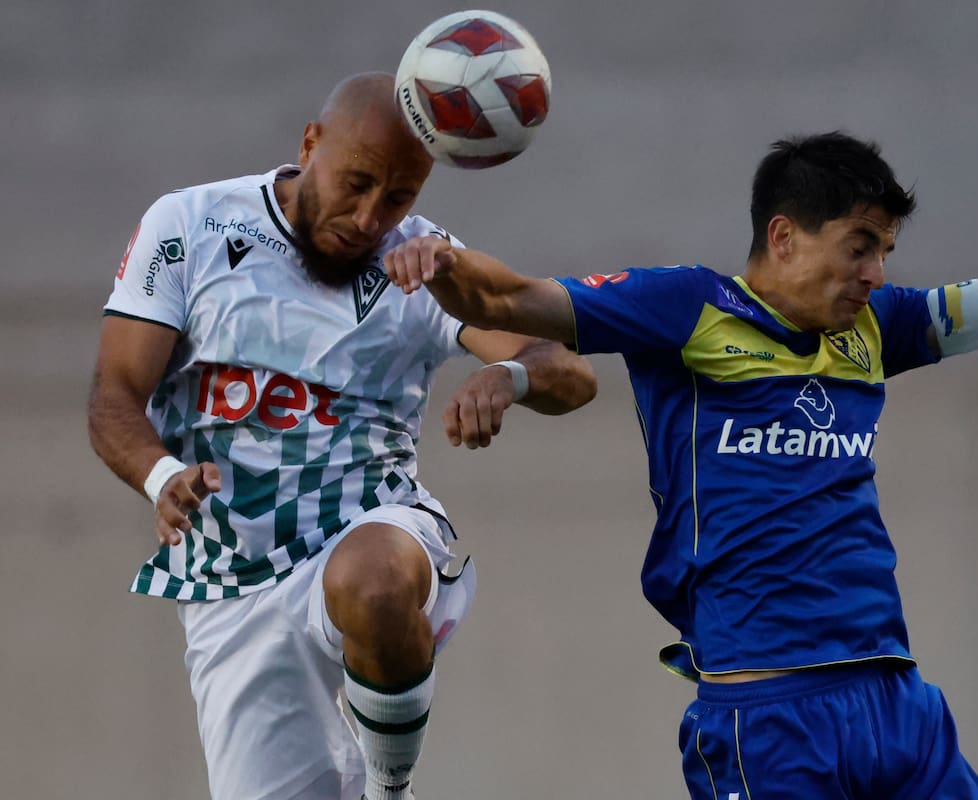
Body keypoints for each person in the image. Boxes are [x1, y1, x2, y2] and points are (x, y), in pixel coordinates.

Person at [383, 66, 978, 797]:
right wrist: (440, 260)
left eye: (886, 251)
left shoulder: (877, 327)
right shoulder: (689, 308)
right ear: (785, 236)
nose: (877, 274)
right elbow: (513, 299)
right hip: (768, 715)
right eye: (860, 246)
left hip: (898, 703)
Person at [87, 72, 596, 800]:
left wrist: (507, 378)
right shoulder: (189, 226)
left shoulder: (423, 263)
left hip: (366, 527)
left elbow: (566, 370)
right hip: (230, 581)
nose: (368, 218)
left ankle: (390, 788)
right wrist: (160, 474)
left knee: (375, 581)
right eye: (356, 184)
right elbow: (114, 397)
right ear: (310, 144)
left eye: (398, 198)